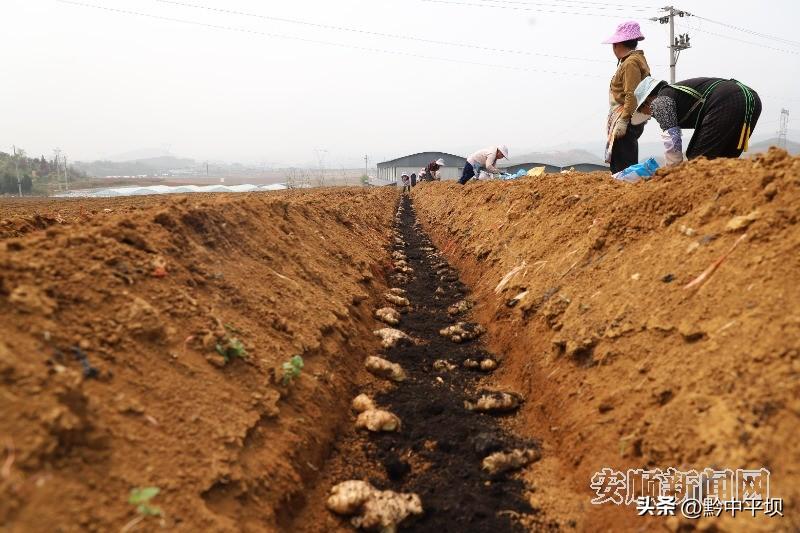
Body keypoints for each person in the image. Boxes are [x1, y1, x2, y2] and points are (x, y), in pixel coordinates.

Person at [634, 76, 761, 166]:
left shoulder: (659, 101)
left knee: (697, 164)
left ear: (646, 102)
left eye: (644, 111)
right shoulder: (673, 94)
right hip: (752, 100)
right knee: (724, 163)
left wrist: (673, 172)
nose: (649, 116)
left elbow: (672, 138)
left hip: (725, 101)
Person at [603, 21, 651, 173]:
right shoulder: (631, 61)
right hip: (628, 116)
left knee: (623, 165)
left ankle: (625, 191)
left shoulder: (630, 63)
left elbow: (632, 93)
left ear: (618, 44)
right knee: (622, 161)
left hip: (627, 118)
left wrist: (624, 120)